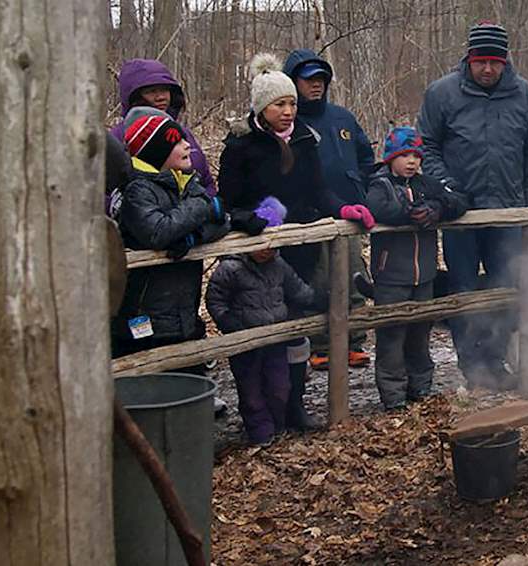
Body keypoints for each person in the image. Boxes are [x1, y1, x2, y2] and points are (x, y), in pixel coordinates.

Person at [219, 53, 377, 430]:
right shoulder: (241, 145)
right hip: (258, 252)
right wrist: (250, 221)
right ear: (262, 108)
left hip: (300, 246)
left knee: (295, 327)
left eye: (291, 103)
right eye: (279, 105)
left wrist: (344, 209)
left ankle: (294, 406)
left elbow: (318, 191)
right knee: (262, 334)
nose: (289, 111)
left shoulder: (305, 139)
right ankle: (259, 416)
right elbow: (227, 202)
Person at [417, 22, 528, 390]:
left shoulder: (525, 95)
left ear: (505, 61)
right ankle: (472, 365)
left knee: (505, 288)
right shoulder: (442, 93)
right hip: (461, 213)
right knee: (464, 289)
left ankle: (494, 360)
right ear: (468, 59)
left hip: (508, 210)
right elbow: (426, 147)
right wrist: (447, 187)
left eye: (494, 62)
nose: (487, 69)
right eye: (480, 62)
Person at [355, 126, 468, 411]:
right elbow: (378, 208)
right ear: (391, 157)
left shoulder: (426, 183)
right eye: (405, 155)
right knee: (392, 336)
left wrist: (437, 209)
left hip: (425, 274)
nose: (411, 162)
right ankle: (393, 395)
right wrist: (409, 213)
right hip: (391, 275)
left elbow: (458, 200)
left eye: (416, 156)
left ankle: (420, 387)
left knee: (420, 333)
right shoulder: (380, 183)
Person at [112, 115, 238, 369]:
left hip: (183, 310)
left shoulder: (185, 181)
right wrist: (201, 206)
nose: (187, 145)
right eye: (177, 142)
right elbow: (159, 232)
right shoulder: (137, 190)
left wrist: (193, 237)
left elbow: (222, 221)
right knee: (150, 380)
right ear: (156, 150)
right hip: (145, 315)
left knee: (187, 376)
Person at [283, 49, 375, 370]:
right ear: (293, 82)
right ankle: (320, 344)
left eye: (321, 79)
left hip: (349, 213)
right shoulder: (289, 122)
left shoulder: (342, 117)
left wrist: (360, 187)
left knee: (354, 278)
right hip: (311, 217)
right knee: (318, 281)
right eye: (309, 80)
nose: (316, 85)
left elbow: (366, 156)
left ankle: (355, 341)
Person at [206, 245, 321, 445]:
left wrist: (320, 300)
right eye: (261, 247)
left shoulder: (278, 265)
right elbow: (215, 299)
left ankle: (277, 425)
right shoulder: (230, 268)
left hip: (275, 339)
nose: (266, 251)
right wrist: (227, 321)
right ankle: (261, 432)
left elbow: (298, 290)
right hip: (245, 342)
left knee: (279, 386)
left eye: (271, 247)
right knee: (251, 390)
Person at [110, 59, 216, 196]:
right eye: (151, 91)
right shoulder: (119, 140)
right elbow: (105, 195)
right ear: (134, 96)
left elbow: (206, 181)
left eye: (165, 90)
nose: (161, 97)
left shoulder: (181, 133)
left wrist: (210, 204)